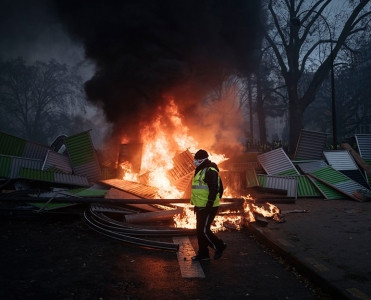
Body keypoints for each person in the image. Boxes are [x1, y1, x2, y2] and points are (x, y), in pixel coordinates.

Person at [190, 149, 227, 261]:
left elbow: (216, 188)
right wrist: (197, 204)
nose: (195, 161)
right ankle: (203, 254)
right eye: (195, 159)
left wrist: (210, 204)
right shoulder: (200, 170)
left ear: (203, 160)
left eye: (197, 159)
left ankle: (219, 246)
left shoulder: (210, 171)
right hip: (200, 206)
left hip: (208, 207)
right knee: (199, 231)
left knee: (204, 230)